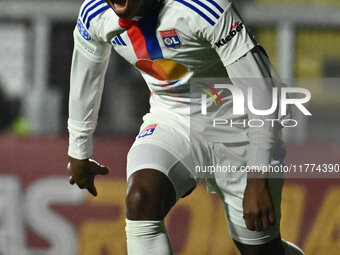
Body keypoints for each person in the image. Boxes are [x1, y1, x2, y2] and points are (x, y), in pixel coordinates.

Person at [67, 0, 304, 254]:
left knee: (261, 250)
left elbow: (262, 92)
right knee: (141, 197)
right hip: (172, 117)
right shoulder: (96, 13)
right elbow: (86, 76)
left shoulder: (203, 7)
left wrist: (259, 176)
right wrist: (79, 151)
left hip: (239, 124)